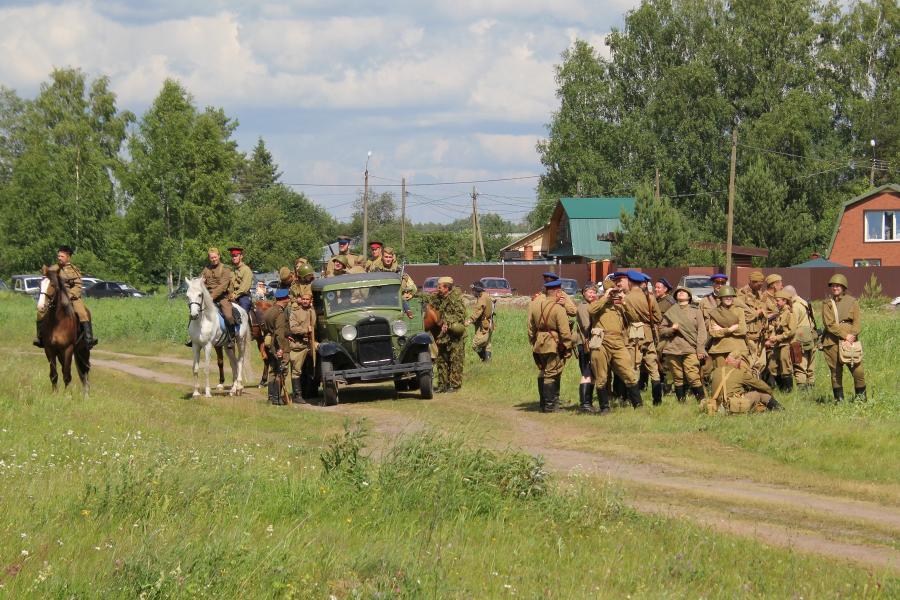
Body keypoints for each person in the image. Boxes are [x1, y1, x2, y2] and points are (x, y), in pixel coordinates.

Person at [589, 280, 641, 411]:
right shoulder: (599, 304)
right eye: (611, 291)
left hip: (618, 341)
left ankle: (638, 406)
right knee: (601, 376)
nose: (613, 294)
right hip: (600, 340)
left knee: (629, 373)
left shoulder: (620, 306)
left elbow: (635, 318)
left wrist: (624, 302)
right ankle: (604, 408)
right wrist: (604, 298)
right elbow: (590, 310)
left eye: (615, 291)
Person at [34, 245, 98, 348]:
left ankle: (88, 339)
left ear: (68, 257)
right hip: (55, 296)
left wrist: (71, 295)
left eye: (62, 256)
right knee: (41, 311)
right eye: (58, 256)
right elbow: (46, 280)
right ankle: (41, 338)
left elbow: (78, 285)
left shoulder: (74, 270)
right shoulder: (53, 269)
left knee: (83, 313)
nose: (59, 258)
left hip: (71, 297)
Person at [527, 278, 574, 413]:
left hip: (539, 343)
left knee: (543, 372)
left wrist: (533, 341)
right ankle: (550, 406)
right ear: (557, 292)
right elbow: (565, 332)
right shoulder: (559, 309)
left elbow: (531, 327)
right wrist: (567, 347)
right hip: (553, 344)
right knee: (551, 373)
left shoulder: (536, 306)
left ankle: (543, 403)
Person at [619, 270, 664, 405]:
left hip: (634, 333)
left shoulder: (627, 298)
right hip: (649, 334)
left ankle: (635, 401)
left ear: (631, 282)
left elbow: (626, 318)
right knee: (653, 367)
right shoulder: (650, 297)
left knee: (634, 366)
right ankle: (657, 400)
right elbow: (658, 318)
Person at [821, 273, 866, 402]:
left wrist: (852, 335)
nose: (835, 288)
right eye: (833, 286)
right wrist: (845, 335)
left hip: (850, 342)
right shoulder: (826, 303)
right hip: (832, 342)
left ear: (843, 286)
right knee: (836, 373)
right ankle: (839, 401)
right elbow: (829, 324)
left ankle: (861, 400)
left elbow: (857, 322)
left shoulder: (853, 301)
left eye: (838, 286)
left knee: (858, 371)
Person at [659, 286, 707, 403]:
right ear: (675, 296)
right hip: (673, 348)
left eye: (684, 292)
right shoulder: (671, 311)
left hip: (690, 348)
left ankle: (702, 402)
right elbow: (661, 330)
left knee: (692, 376)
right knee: (677, 377)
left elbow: (702, 331)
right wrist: (672, 329)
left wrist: (700, 349)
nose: (680, 293)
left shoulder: (696, 311)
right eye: (678, 292)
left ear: (689, 296)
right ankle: (681, 402)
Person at [707, 352, 783, 415]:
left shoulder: (715, 371)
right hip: (733, 405)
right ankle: (779, 410)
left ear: (726, 360)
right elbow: (760, 385)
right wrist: (770, 392)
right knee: (760, 393)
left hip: (717, 405)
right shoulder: (741, 373)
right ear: (738, 362)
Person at [430, 276, 467, 392]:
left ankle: (455, 385)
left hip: (455, 335)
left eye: (439, 287)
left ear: (446, 288)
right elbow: (429, 299)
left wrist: (447, 321)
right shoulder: (439, 297)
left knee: (456, 360)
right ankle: (442, 385)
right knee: (441, 359)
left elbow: (461, 315)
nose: (438, 289)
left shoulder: (456, 298)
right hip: (443, 335)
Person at [784, 285, 817, 392]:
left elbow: (792, 326)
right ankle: (811, 388)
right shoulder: (806, 303)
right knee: (810, 367)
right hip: (811, 337)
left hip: (799, 340)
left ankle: (802, 392)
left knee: (799, 366)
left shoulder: (795, 307)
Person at [706, 285, 747, 368]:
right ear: (721, 298)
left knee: (738, 375)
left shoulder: (739, 311)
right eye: (726, 296)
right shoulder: (715, 312)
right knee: (720, 375)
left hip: (737, 347)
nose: (728, 298)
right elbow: (713, 333)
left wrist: (722, 329)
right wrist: (729, 329)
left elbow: (742, 330)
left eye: (730, 296)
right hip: (719, 348)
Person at [263, 288, 291, 405]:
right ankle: (276, 398)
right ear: (285, 299)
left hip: (270, 344)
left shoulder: (269, 311)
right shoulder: (280, 313)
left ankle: (271, 397)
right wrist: (280, 349)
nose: (289, 300)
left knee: (273, 371)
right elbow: (279, 333)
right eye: (288, 298)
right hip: (280, 345)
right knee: (282, 370)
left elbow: (265, 328)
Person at [737, 271, 768, 375]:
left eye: (761, 284)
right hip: (749, 335)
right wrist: (757, 313)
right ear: (751, 282)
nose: (760, 286)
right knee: (750, 361)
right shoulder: (741, 294)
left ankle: (755, 382)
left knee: (762, 362)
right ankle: (750, 385)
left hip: (761, 334)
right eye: (758, 284)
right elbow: (741, 316)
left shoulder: (759, 293)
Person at [288, 291, 316, 404]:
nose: (305, 301)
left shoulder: (312, 311)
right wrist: (306, 330)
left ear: (310, 301)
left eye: (307, 299)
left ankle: (310, 392)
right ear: (300, 300)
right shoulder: (295, 312)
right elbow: (293, 328)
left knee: (310, 368)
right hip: (299, 345)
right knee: (296, 370)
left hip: (311, 345)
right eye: (303, 299)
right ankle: (297, 395)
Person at [574, 283, 598, 412]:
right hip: (585, 343)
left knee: (592, 373)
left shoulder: (591, 305)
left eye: (594, 292)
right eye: (589, 292)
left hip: (591, 342)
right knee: (586, 372)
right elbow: (586, 326)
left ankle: (588, 402)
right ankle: (584, 404)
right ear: (584, 293)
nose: (592, 294)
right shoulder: (583, 307)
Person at [766, 289, 796, 391]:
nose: (776, 302)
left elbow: (791, 331)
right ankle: (781, 387)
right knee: (772, 366)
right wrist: (772, 339)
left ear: (785, 301)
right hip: (777, 344)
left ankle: (788, 390)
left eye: (778, 300)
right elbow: (775, 327)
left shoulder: (789, 313)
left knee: (785, 366)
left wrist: (778, 337)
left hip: (786, 344)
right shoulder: (780, 313)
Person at [467, 281, 494, 362]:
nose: (473, 292)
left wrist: (469, 321)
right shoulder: (486, 296)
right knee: (486, 345)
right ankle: (487, 363)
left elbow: (478, 311)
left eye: (474, 290)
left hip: (483, 324)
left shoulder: (482, 298)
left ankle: (484, 360)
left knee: (475, 345)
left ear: (477, 290)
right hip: (489, 323)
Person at [227, 246, 254, 314]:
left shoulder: (246, 270)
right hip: (231, 297)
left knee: (242, 314)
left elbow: (244, 288)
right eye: (232, 256)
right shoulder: (232, 270)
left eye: (236, 256)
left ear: (241, 256)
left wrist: (234, 295)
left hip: (243, 296)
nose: (234, 257)